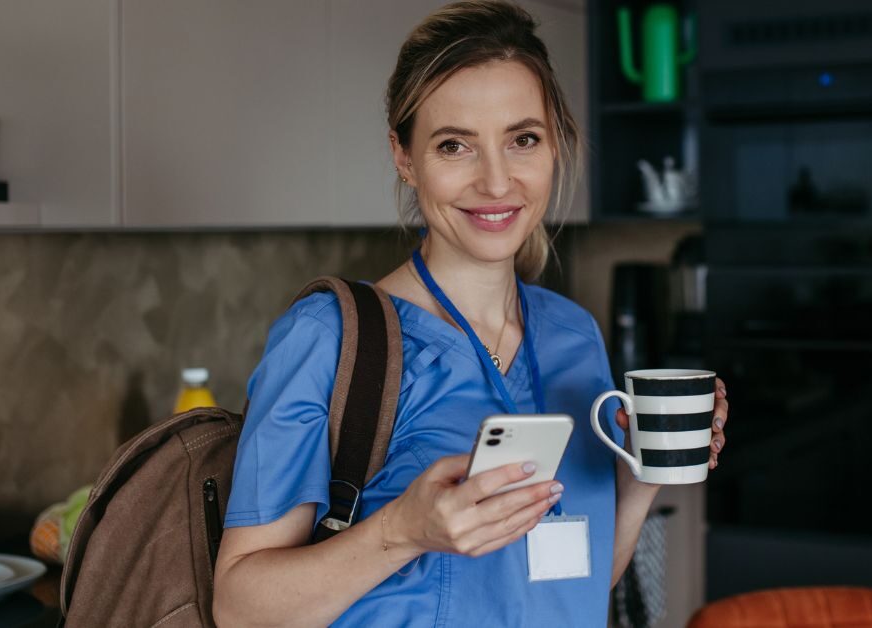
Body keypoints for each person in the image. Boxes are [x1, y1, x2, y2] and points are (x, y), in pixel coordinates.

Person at [212, 2, 729, 626]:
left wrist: (647, 473)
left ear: (555, 144)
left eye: (523, 139)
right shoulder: (329, 338)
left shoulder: (573, 335)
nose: (495, 181)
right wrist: (401, 531)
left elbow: (574, 587)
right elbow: (239, 609)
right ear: (404, 157)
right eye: (454, 145)